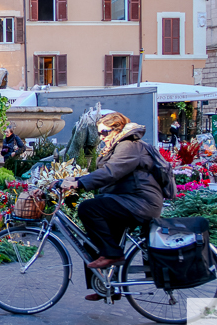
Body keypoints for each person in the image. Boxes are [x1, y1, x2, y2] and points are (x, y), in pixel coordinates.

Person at [54, 112, 163, 301]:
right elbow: (106, 174)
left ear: (117, 129)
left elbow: (111, 173)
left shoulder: (129, 146)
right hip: (128, 200)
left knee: (88, 209)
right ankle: (106, 286)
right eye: (99, 134)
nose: (101, 137)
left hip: (141, 203)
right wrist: (72, 180)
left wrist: (78, 184)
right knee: (93, 240)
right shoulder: (119, 146)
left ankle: (113, 255)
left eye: (104, 132)